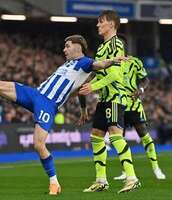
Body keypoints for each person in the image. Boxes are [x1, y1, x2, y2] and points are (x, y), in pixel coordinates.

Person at [0, 35, 125, 195]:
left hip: (47, 104)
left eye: (68, 45)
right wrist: (83, 109)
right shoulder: (69, 64)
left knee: (38, 144)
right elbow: (78, 90)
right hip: (35, 94)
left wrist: (113, 61)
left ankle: (54, 182)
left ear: (78, 46)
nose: (64, 49)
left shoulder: (85, 62)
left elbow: (99, 65)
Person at [79, 10, 140, 193]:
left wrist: (93, 87)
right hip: (104, 99)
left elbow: (115, 74)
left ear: (111, 24)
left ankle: (132, 177)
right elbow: (100, 72)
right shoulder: (101, 48)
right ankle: (101, 180)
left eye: (101, 22)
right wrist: (88, 84)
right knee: (96, 136)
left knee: (115, 135)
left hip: (115, 97)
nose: (98, 25)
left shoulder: (116, 43)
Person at [113, 36, 166, 180]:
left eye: (118, 44)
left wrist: (140, 90)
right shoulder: (110, 63)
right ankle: (125, 170)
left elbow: (145, 80)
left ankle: (156, 168)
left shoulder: (135, 62)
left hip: (133, 104)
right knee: (119, 138)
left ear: (123, 47)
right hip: (117, 105)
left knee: (143, 134)